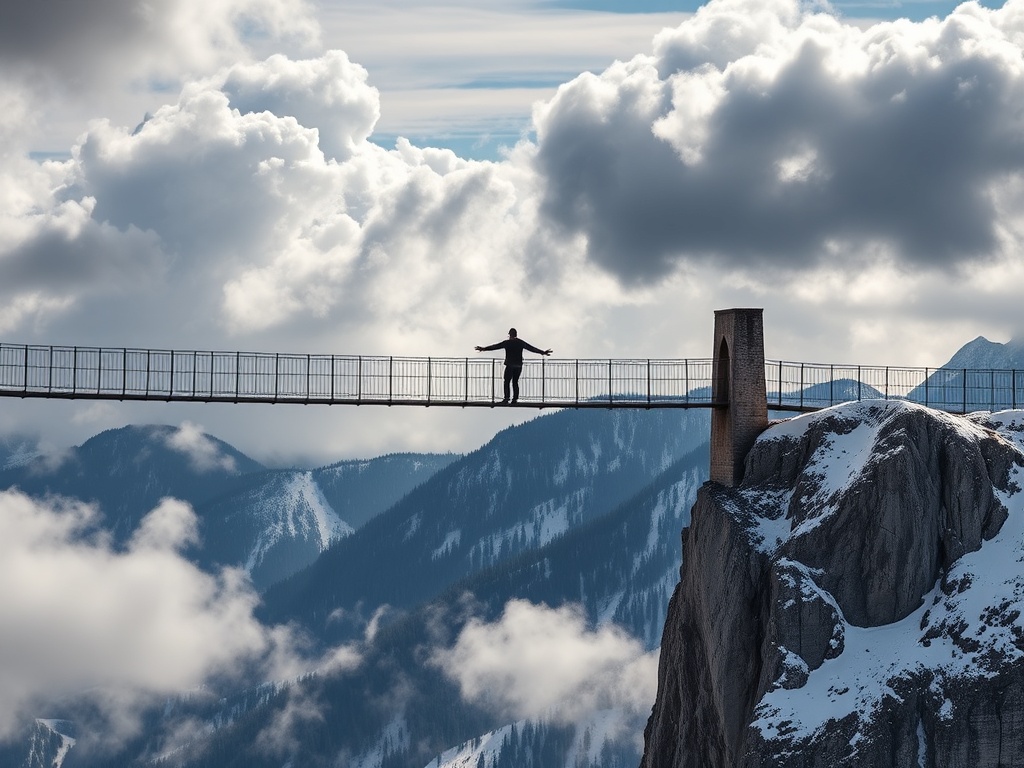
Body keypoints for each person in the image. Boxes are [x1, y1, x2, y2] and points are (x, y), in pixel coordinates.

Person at [475, 328, 552, 404]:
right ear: (516, 334)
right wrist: (543, 352)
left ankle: (506, 398)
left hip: (510, 365)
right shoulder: (520, 342)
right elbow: (531, 348)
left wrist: (483, 349)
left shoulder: (507, 343)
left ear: (509, 335)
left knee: (507, 381)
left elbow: (495, 346)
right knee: (515, 382)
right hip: (518, 365)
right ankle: (515, 399)